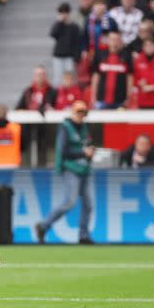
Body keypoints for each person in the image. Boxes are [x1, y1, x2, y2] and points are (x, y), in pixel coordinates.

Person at [35, 101, 94, 245]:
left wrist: (90, 151)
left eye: (82, 112)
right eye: (78, 112)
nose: (80, 115)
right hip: (71, 169)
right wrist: (82, 152)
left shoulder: (85, 128)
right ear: (72, 112)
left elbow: (87, 144)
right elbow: (63, 151)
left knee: (88, 204)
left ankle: (83, 235)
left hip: (84, 169)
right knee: (70, 202)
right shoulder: (66, 127)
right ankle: (43, 226)